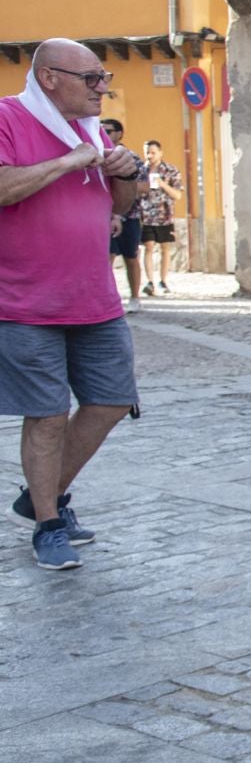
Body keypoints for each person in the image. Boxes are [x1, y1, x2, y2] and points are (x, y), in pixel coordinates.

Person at [1, 40, 144, 571]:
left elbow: (119, 207)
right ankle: (48, 522)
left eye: (102, 77)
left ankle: (40, 493)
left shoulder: (93, 131)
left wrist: (124, 174)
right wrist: (68, 161)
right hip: (24, 300)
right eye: (90, 78)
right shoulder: (7, 118)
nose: (102, 87)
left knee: (111, 400)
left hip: (94, 298)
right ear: (49, 77)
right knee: (47, 416)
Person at [101, 121, 145, 310]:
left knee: (131, 257)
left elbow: (143, 186)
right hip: (104, 217)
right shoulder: (97, 155)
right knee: (105, 258)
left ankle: (135, 297)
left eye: (108, 130)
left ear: (119, 134)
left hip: (130, 215)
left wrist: (121, 190)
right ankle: (106, 298)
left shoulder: (131, 158)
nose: (103, 133)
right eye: (100, 129)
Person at [139, 138, 185, 296]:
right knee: (148, 246)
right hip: (145, 215)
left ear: (160, 153)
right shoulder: (140, 171)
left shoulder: (171, 170)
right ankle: (149, 282)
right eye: (147, 153)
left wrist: (162, 184)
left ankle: (163, 280)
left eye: (153, 152)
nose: (150, 156)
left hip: (165, 215)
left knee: (165, 248)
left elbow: (178, 195)